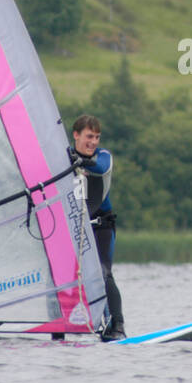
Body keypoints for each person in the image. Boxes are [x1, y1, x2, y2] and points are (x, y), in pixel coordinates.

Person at [72, 115, 125, 341]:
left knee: (104, 274)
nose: (93, 141)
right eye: (88, 136)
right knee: (57, 278)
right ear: (76, 135)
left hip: (101, 226)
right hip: (75, 226)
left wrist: (78, 162)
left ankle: (118, 326)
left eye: (96, 137)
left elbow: (100, 167)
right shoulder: (63, 157)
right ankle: (58, 328)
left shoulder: (104, 156)